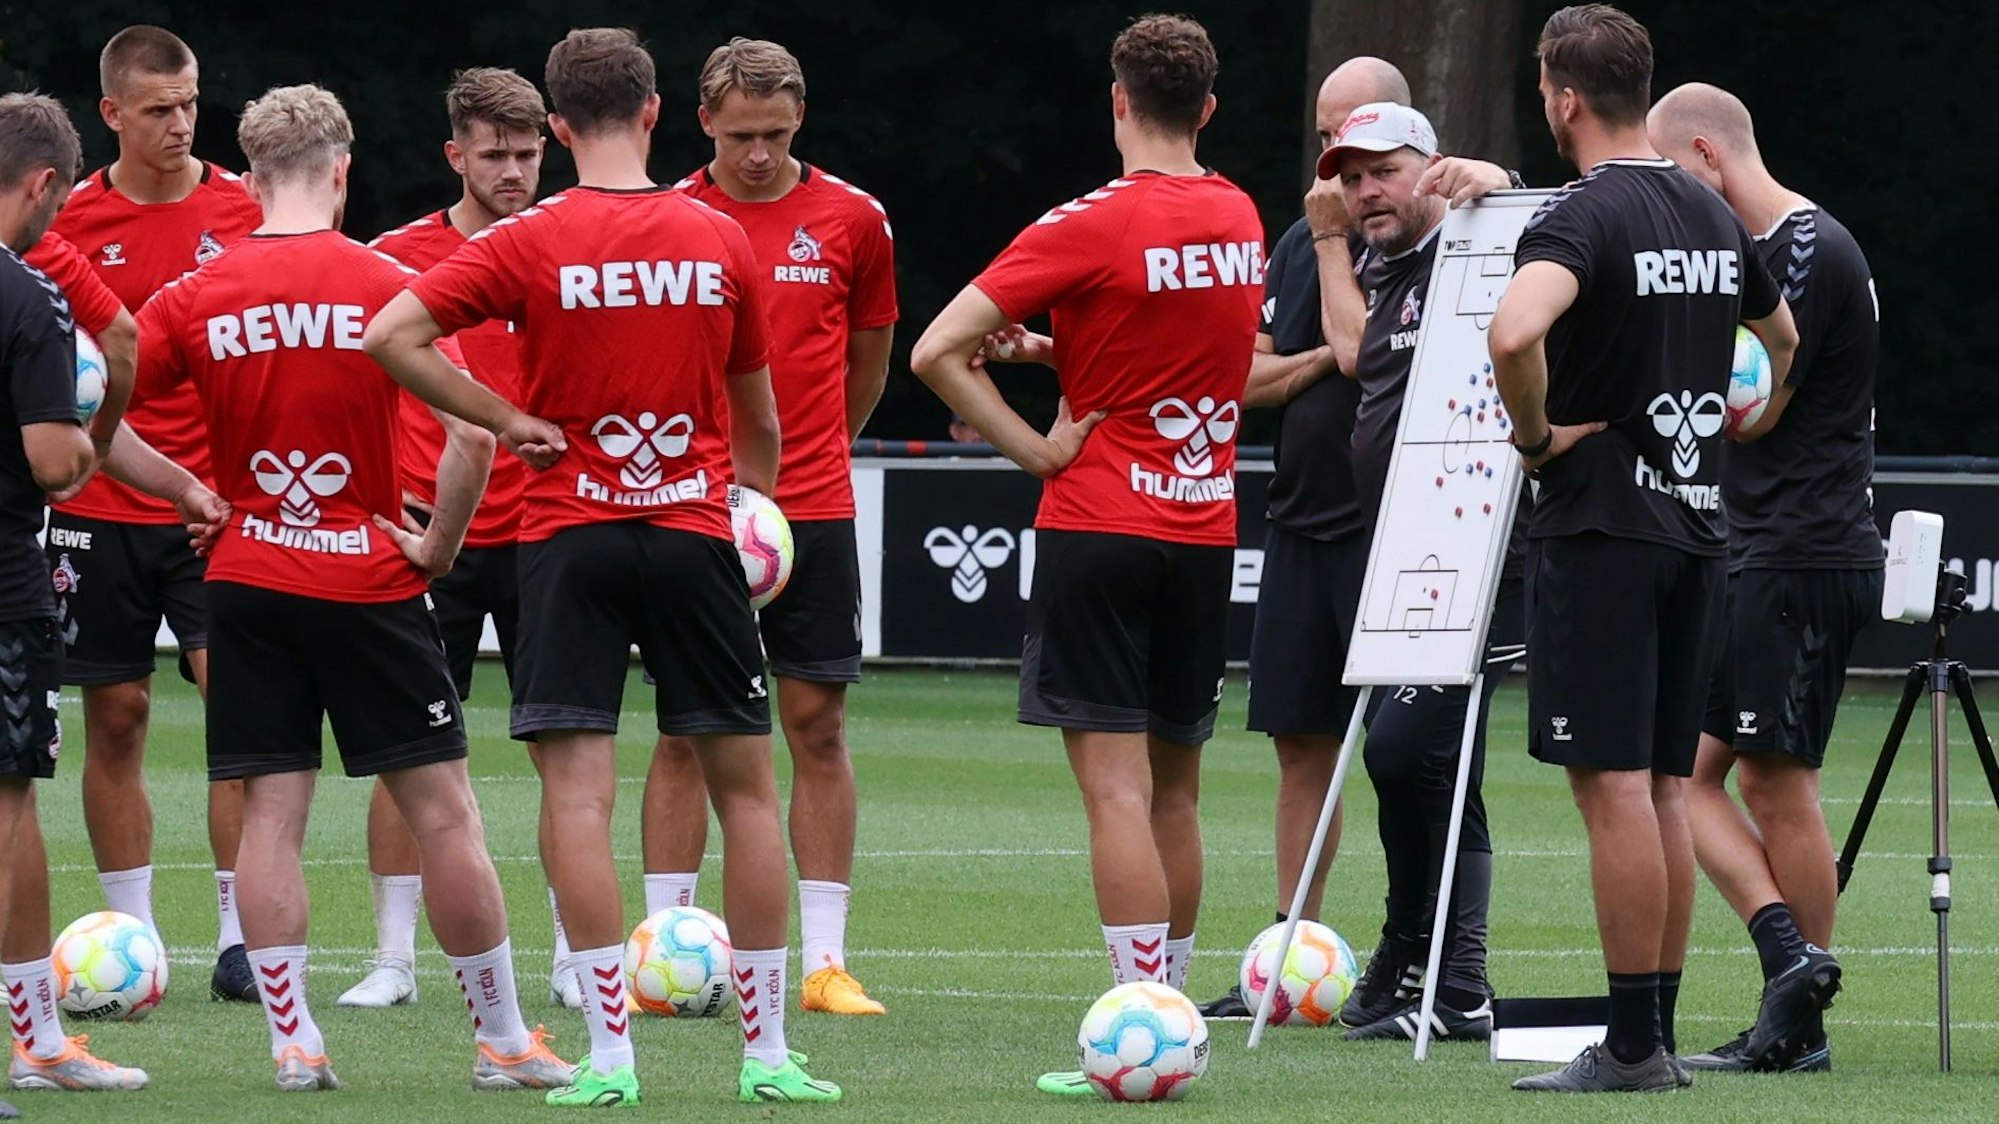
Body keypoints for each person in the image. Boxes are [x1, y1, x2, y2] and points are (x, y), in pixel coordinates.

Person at [365, 27, 841, 1106]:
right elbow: (758, 418)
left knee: (576, 797)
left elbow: (392, 333)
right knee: (749, 792)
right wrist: (746, 508)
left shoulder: (528, 239)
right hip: (691, 533)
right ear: (657, 112)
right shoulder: (720, 239)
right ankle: (766, 1057)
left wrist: (504, 416)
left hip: (567, 538)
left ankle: (610, 1059)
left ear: (561, 126)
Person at [135, 81, 575, 1095]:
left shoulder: (200, 292)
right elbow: (472, 432)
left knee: (270, 815)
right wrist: (437, 551)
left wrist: (186, 487)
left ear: (247, 179)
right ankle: (504, 1039)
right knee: (446, 814)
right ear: (341, 171)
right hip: (367, 575)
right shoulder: (386, 282)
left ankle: (293, 1042)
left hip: (245, 574)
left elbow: (95, 394)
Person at [909, 14, 1261, 1096]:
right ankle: (1177, 1017)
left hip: (1102, 522)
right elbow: (1184, 356)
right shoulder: (1241, 212)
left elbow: (935, 350)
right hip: (1203, 525)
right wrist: (1069, 348)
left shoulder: (1084, 223)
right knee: (1177, 792)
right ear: (1204, 107)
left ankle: (1135, 1021)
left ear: (1118, 101)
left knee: (1114, 792)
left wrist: (1036, 448)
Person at [1490, 4, 1800, 1093]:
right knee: (1666, 787)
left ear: (1562, 97)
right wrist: (1746, 416)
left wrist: (1535, 437)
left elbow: (1513, 331)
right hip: (1697, 528)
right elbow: (1780, 338)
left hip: (1603, 528)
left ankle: (1627, 1047)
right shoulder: (1707, 210)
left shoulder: (1586, 213)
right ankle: (1651, 1036)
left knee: (1615, 789)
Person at [644, 36, 898, 1017]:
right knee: (681, 729)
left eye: (777, 134)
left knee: (816, 723)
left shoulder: (852, 219)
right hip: (694, 506)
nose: (759, 152)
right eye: (742, 134)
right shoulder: (669, 217)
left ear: (801, 120)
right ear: (702, 121)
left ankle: (825, 962)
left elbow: (867, 363)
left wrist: (810, 459)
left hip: (814, 508)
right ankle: (661, 948)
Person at [1649, 82, 1881, 1074]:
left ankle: (1800, 1019)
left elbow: (1751, 408)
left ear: (1705, 156)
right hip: (1763, 547)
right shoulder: (1780, 248)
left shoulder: (1800, 250)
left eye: (1668, 176)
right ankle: (1790, 963)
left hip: (1800, 548)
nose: (1669, 199)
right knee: (1684, 774)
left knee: (1776, 780)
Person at [47, 24, 263, 1003]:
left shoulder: (244, 210)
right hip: (99, 499)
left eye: (189, 104)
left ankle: (237, 932)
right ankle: (130, 931)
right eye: (157, 111)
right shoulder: (68, 222)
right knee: (119, 715)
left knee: (243, 708)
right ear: (111, 116)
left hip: (216, 503)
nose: (180, 125)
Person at [338, 66, 557, 1011]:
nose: (512, 171)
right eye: (493, 154)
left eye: (527, 153)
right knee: (407, 754)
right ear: (454, 154)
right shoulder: (394, 260)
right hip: (431, 529)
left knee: (568, 750)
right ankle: (393, 959)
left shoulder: (567, 249)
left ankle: (569, 962)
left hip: (552, 531)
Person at [1318, 102, 1522, 1044]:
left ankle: (1456, 974)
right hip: (1401, 554)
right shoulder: (1380, 266)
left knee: (1413, 753)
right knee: (1412, 762)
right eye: (1351, 175)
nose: (1366, 191)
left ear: (1430, 169)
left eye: (1384, 171)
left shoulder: (1476, 241)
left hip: (1471, 552)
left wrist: (1498, 186)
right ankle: (1416, 959)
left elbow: (1533, 230)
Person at [0, 91, 166, 1100]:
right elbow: (58, 464)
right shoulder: (28, 296)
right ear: (44, 184)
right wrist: (91, 423)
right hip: (3, 588)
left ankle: (44, 1043)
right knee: (8, 809)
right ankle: (37, 1037)